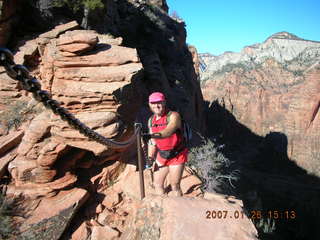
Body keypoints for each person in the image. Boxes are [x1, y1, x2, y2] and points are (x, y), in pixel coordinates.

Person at [144, 92, 188, 196]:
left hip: (177, 155)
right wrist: (150, 158)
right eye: (153, 103)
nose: (156, 106)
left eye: (159, 102)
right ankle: (162, 206)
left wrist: (152, 135)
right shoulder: (151, 120)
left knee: (175, 185)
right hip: (162, 155)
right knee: (157, 184)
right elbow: (152, 143)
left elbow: (169, 131)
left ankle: (178, 207)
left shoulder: (174, 116)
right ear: (149, 104)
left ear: (164, 102)